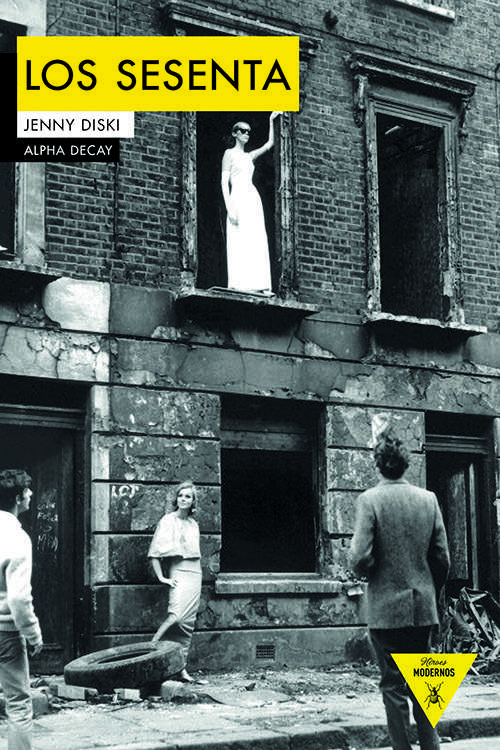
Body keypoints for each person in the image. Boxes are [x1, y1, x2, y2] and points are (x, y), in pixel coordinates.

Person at [350, 429, 450, 750]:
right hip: (422, 608)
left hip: (385, 609)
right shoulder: (428, 499)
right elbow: (442, 559)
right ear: (406, 464)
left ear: (378, 464)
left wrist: (371, 574)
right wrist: (429, 588)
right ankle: (431, 746)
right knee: (425, 685)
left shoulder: (370, 500)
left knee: (392, 686)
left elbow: (359, 558)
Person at [0, 469, 43, 750]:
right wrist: (33, 633)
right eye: (27, 490)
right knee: (18, 704)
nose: (31, 494)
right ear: (18, 498)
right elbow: (18, 597)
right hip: (6, 632)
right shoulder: (18, 538)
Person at [221, 112, 281, 294]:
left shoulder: (249, 156)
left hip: (252, 198)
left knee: (255, 238)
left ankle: (259, 284)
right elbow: (224, 182)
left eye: (248, 131)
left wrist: (271, 120)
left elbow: (269, 144)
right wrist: (229, 208)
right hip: (237, 198)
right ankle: (240, 284)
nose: (246, 133)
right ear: (235, 133)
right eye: (242, 130)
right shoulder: (229, 154)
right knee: (239, 239)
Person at [148, 481, 201, 682]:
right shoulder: (168, 520)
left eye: (188, 496)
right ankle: (150, 653)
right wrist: (162, 577)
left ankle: (181, 668)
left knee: (187, 624)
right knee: (176, 617)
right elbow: (154, 553)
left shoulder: (193, 524)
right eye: (181, 496)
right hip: (178, 571)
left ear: (193, 501)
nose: (183, 499)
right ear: (176, 499)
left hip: (195, 573)